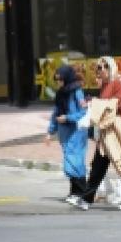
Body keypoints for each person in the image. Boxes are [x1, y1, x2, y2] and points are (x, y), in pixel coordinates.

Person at [80, 56, 121, 210]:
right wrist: (92, 103)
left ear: (112, 68)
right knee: (100, 165)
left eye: (106, 66)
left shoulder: (117, 84)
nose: (102, 70)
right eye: (99, 67)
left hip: (119, 131)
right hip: (108, 132)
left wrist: (94, 104)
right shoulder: (106, 85)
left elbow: (116, 103)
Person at [45, 64, 89, 209]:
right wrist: (50, 132)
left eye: (60, 79)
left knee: (74, 163)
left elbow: (83, 112)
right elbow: (55, 113)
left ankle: (82, 193)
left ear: (67, 78)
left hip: (76, 132)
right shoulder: (61, 94)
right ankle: (74, 192)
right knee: (71, 162)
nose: (59, 83)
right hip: (65, 133)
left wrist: (68, 118)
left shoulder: (77, 92)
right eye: (56, 80)